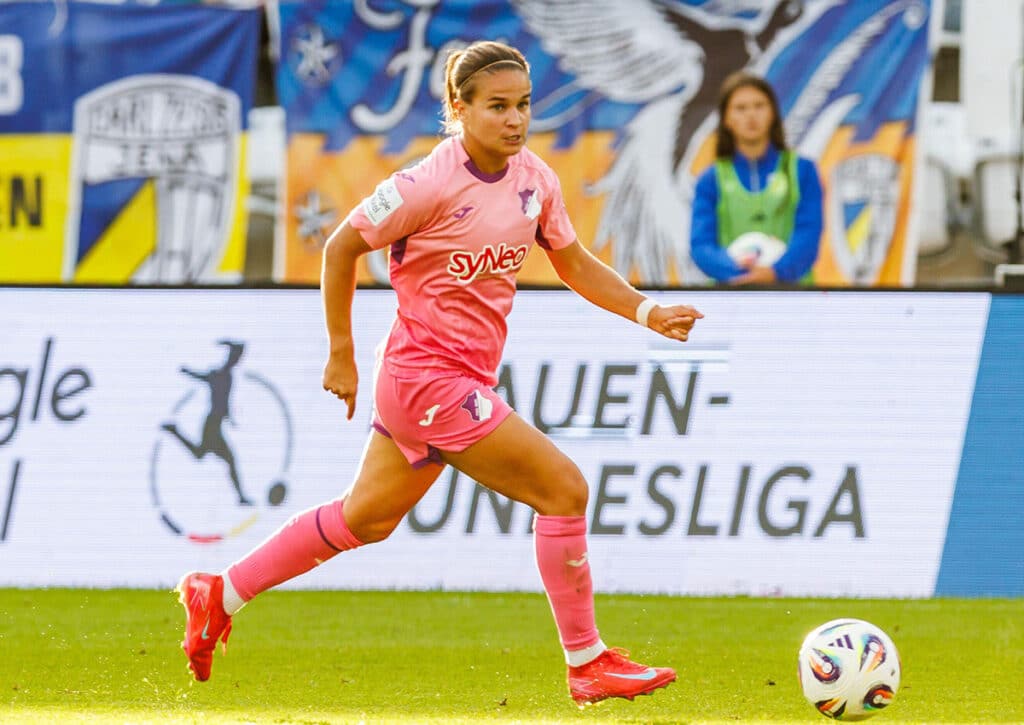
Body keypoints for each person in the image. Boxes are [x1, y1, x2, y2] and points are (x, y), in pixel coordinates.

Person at [175, 40, 702, 707]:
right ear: (458, 108)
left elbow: (572, 261)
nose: (515, 120)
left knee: (364, 519)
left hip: (451, 382)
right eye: (497, 107)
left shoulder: (535, 179)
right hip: (428, 381)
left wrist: (646, 310)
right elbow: (340, 248)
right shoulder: (425, 184)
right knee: (564, 489)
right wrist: (341, 352)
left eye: (524, 106)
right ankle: (587, 661)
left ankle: (219, 592)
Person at [690, 70, 823, 285]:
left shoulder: (802, 170)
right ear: (726, 119)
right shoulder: (710, 179)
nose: (751, 115)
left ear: (773, 114)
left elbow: (808, 235)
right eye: (740, 108)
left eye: (759, 106)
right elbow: (701, 245)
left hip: (793, 295)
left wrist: (776, 272)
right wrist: (740, 272)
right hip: (730, 295)